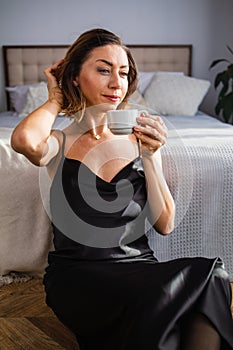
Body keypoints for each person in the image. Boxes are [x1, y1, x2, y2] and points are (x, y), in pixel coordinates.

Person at [11, 28, 233, 350]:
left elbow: (166, 224)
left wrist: (151, 158)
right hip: (79, 277)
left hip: (140, 269)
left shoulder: (141, 140)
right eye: (103, 70)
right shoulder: (57, 142)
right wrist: (55, 99)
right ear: (74, 76)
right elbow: (24, 141)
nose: (117, 83)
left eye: (124, 73)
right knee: (174, 318)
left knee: (211, 278)